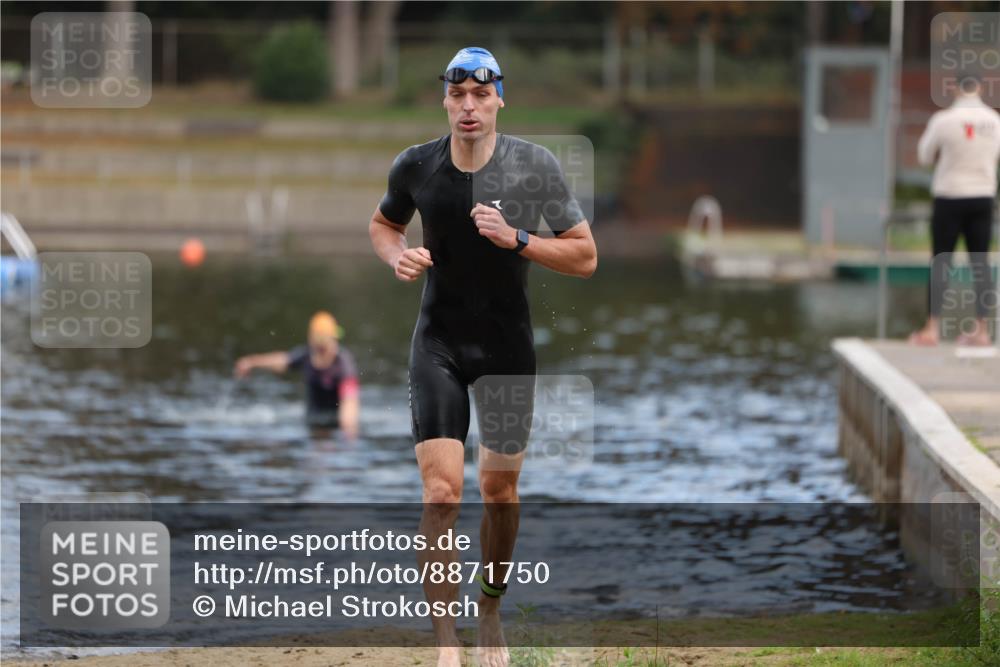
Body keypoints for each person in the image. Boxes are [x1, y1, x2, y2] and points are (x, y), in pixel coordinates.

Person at [369, 46, 596, 667]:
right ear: (445, 99)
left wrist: (518, 238)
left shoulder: (534, 168)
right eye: (457, 95)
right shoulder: (416, 165)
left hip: (505, 347)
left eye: (481, 95)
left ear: (500, 99)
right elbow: (384, 225)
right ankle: (447, 644)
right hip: (437, 343)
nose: (468, 107)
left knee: (500, 491)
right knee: (442, 492)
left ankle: (489, 608)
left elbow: (584, 256)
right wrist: (398, 257)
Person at [910, 75, 999, 347]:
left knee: (941, 262)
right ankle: (982, 330)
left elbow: (924, 155)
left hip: (949, 196)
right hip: (982, 196)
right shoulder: (994, 121)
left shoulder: (943, 120)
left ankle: (932, 328)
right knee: (980, 264)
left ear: (955, 89)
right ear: (980, 88)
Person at [233, 311, 360, 437]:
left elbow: (349, 404)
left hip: (336, 428)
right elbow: (281, 361)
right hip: (311, 422)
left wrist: (348, 432)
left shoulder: (344, 364)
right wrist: (251, 362)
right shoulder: (307, 355)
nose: (330, 346)